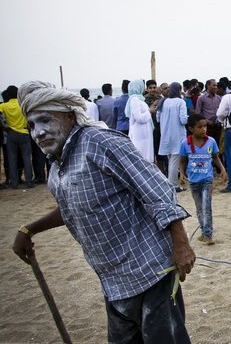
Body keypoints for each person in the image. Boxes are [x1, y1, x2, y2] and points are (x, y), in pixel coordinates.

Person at [12, 81, 195, 343]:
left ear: (68, 115)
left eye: (44, 120)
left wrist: (181, 244)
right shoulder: (56, 167)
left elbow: (158, 190)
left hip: (149, 272)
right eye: (31, 126)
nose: (38, 133)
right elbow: (70, 208)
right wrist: (29, 229)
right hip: (113, 281)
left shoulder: (100, 142)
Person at [179, 114, 227, 245]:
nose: (203, 129)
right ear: (191, 129)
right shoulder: (185, 143)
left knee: (207, 206)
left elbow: (215, 157)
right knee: (199, 208)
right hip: (193, 182)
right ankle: (202, 230)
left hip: (207, 179)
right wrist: (182, 174)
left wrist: (222, 169)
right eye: (199, 127)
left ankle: (208, 234)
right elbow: (182, 160)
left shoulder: (211, 141)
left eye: (205, 126)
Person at [157, 82, 189, 192]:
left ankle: (171, 184)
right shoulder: (181, 102)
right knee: (175, 161)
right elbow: (183, 120)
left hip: (166, 134)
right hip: (177, 135)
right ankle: (172, 185)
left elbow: (158, 118)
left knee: (171, 160)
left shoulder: (164, 102)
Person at [0, 85, 33, 188]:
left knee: (12, 159)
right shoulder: (23, 104)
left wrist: (5, 127)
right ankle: (29, 182)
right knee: (27, 158)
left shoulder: (4, 106)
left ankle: (14, 183)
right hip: (24, 132)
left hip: (11, 133)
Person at [126, 79, 154, 162]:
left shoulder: (139, 99)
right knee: (142, 158)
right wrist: (149, 111)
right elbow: (139, 118)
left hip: (143, 134)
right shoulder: (135, 100)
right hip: (140, 135)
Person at [195, 79, 223, 148]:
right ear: (208, 85)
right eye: (214, 85)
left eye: (216, 85)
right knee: (207, 146)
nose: (216, 87)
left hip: (218, 126)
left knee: (217, 147)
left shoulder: (218, 98)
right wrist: (207, 121)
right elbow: (198, 112)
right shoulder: (201, 98)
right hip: (207, 127)